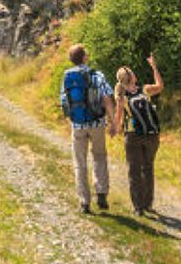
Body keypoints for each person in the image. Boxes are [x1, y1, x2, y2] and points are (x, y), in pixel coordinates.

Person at [59, 43, 113, 214]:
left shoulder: (67, 76)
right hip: (97, 123)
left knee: (80, 163)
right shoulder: (97, 75)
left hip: (77, 125)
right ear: (84, 57)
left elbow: (64, 101)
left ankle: (84, 202)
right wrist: (113, 121)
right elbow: (106, 99)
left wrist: (72, 117)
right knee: (99, 156)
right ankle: (102, 193)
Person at [112, 54, 163, 217]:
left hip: (133, 136)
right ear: (132, 77)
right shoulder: (145, 90)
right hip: (151, 135)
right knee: (148, 168)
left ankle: (138, 207)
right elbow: (160, 86)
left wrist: (115, 129)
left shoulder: (122, 96)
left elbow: (119, 119)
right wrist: (154, 67)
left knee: (134, 171)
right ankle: (148, 204)